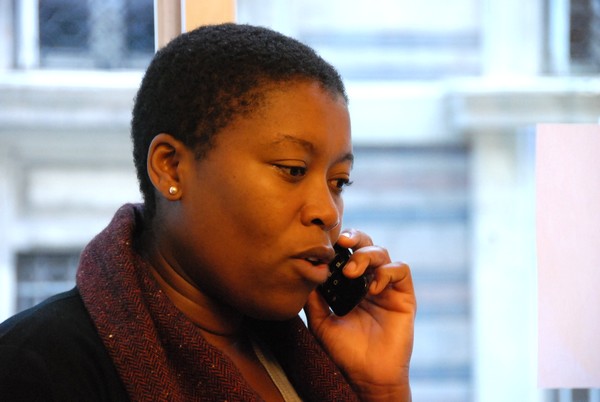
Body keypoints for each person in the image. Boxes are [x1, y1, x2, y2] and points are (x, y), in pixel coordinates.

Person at [0, 23, 416, 401]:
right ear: (171, 167)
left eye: (338, 182)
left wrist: (381, 391)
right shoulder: (34, 367)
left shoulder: (302, 361)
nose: (328, 212)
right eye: (292, 169)